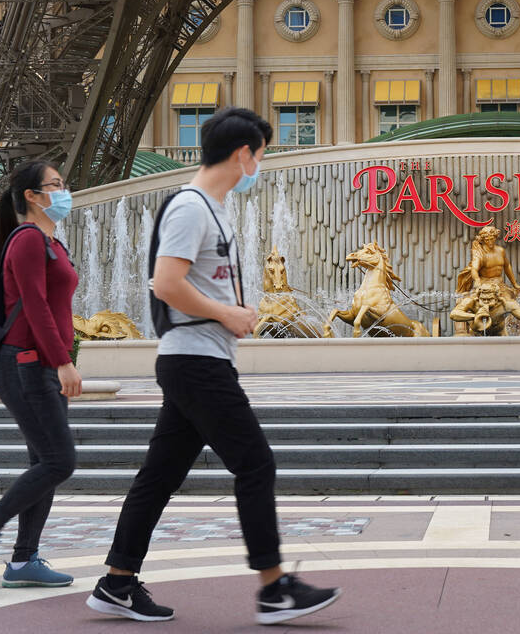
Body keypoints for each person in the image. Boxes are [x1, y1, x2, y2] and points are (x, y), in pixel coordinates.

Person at [86, 107, 340, 625]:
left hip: (198, 359)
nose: (261, 165)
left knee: (159, 476)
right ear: (244, 153)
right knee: (255, 462)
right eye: (262, 154)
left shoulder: (215, 208)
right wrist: (229, 312)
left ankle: (117, 581)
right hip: (196, 360)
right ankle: (274, 589)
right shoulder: (191, 207)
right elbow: (166, 283)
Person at [0, 160, 81, 588]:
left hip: (39, 364)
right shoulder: (27, 240)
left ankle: (24, 560)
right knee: (59, 460)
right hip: (27, 363)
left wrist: (59, 359)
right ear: (32, 195)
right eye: (56, 185)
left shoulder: (51, 242)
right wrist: (63, 359)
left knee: (43, 461)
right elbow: (36, 304)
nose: (64, 191)